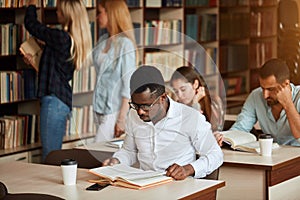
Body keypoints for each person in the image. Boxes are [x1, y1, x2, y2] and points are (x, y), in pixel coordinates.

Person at [103, 65, 223, 180]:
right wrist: (117, 161)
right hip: (144, 185)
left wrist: (188, 169)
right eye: (135, 105)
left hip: (179, 186)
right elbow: (129, 151)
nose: (139, 112)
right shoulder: (133, 115)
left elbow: (215, 155)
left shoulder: (190, 117)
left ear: (162, 98)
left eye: (146, 106)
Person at [24, 0, 92, 161]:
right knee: (52, 155)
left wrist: (32, 5)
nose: (57, 13)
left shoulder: (61, 37)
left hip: (54, 103)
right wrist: (35, 61)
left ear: (68, 15)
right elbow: (55, 70)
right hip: (60, 101)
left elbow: (31, 25)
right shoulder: (71, 40)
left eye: (60, 11)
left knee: (50, 157)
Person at [215, 58, 300, 146]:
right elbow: (241, 127)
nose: (265, 95)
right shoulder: (256, 96)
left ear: (286, 84)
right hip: (272, 155)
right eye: (262, 88)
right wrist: (224, 138)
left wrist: (288, 104)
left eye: (270, 89)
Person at [92, 0, 137, 142]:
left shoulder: (126, 44)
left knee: (96, 150)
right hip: (99, 106)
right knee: (105, 154)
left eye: (100, 13)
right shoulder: (103, 40)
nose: (97, 17)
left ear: (111, 14)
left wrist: (121, 119)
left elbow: (128, 85)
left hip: (115, 110)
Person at [170, 66, 225, 132]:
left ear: (195, 84)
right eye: (176, 91)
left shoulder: (214, 102)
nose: (180, 95)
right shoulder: (176, 108)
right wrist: (195, 104)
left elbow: (217, 130)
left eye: (183, 89)